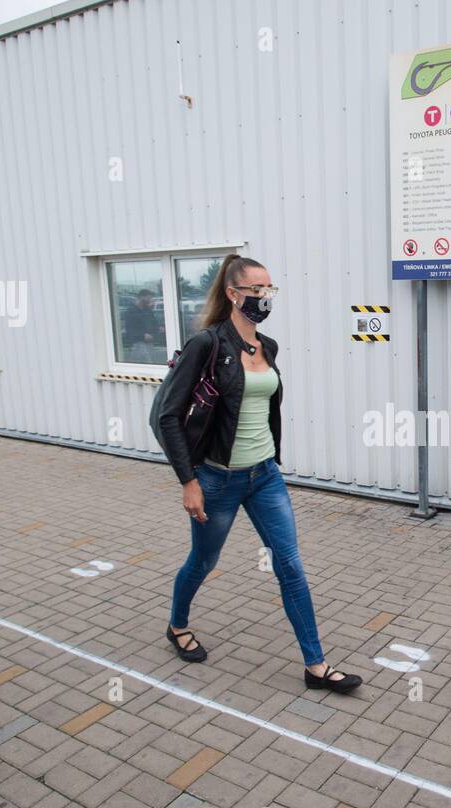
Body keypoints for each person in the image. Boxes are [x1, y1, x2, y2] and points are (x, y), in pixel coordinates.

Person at [154, 254, 361, 692]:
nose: (266, 297)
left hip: (265, 477)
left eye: (270, 290)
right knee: (204, 561)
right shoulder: (206, 345)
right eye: (257, 290)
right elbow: (167, 416)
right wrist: (188, 482)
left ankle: (316, 666)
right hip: (216, 480)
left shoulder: (268, 346)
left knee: (290, 564)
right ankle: (177, 625)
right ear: (233, 294)